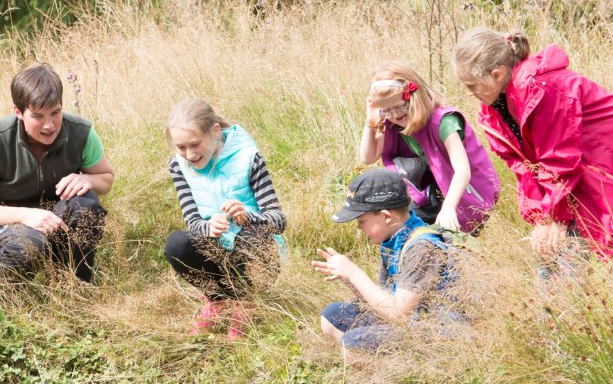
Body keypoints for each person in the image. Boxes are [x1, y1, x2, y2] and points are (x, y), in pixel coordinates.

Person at [452, 27, 613, 270]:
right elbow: (523, 166)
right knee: (550, 245)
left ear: (497, 74)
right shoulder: (493, 108)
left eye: (472, 86)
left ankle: (567, 301)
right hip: (571, 163)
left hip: (606, 152)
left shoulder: (543, 89)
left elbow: (559, 159)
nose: (470, 94)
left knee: (571, 245)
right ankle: (558, 301)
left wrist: (555, 217)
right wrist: (541, 217)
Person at [0, 63, 114, 297]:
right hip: (8, 228)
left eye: (55, 112)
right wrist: (25, 215)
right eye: (37, 116)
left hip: (56, 220)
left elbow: (106, 179)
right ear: (18, 112)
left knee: (86, 203)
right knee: (31, 241)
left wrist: (86, 179)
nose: (49, 125)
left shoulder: (81, 132)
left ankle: (76, 288)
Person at [164, 98, 287, 339]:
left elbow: (279, 220)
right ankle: (217, 299)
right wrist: (208, 227)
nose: (189, 154)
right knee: (177, 243)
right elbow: (192, 222)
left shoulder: (248, 157)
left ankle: (246, 302)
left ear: (215, 132)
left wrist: (247, 218)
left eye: (195, 144)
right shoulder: (178, 166)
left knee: (252, 236)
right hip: (217, 249)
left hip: (257, 250)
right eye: (180, 147)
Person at [316, 169, 463, 351]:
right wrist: (347, 278)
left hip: (440, 333)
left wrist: (354, 273)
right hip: (413, 320)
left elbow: (397, 313)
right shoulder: (392, 239)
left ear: (386, 216)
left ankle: (392, 372)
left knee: (353, 342)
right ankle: (368, 366)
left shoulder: (422, 247)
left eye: (361, 221)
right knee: (331, 317)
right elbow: (384, 301)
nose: (358, 228)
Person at [359, 61, 499, 234]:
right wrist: (371, 120)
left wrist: (448, 207)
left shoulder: (443, 122)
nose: (394, 115)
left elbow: (463, 170)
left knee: (457, 239)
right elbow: (367, 157)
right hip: (439, 184)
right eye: (385, 111)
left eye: (399, 107)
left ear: (413, 96)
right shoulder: (393, 121)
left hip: (471, 189)